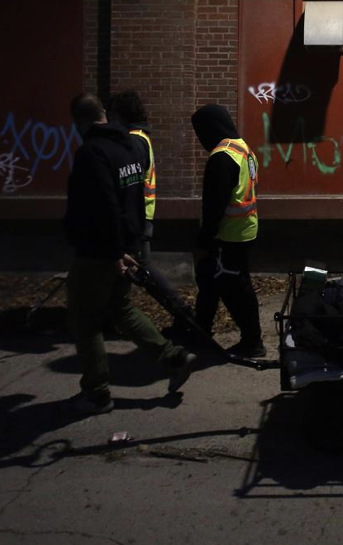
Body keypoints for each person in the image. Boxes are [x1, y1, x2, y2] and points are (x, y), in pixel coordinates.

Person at [63, 93, 193, 415]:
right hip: (125, 245)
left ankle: (96, 393)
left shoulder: (92, 153)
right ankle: (173, 356)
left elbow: (104, 206)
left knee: (85, 319)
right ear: (104, 114)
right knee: (119, 308)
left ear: (79, 122)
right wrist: (130, 245)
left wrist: (114, 252)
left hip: (100, 251)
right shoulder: (131, 148)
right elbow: (134, 199)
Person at [108, 91, 198, 332]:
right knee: (138, 269)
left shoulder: (134, 141)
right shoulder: (140, 138)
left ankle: (183, 314)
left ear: (120, 114)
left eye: (112, 114)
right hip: (140, 216)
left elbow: (131, 183)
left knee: (143, 269)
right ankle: (181, 314)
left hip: (137, 217)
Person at [190, 104, 265, 358]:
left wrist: (204, 238)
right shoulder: (243, 148)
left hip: (227, 236)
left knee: (235, 289)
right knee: (211, 282)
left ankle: (252, 341)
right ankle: (201, 331)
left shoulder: (221, 157)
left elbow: (214, 206)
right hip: (245, 229)